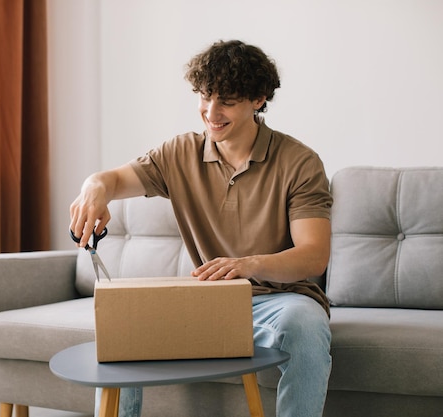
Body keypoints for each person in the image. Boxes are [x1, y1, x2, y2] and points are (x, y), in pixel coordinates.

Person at [70, 39, 332, 417]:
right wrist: (94, 190)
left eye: (226, 100)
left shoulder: (299, 162)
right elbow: (111, 180)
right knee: (124, 320)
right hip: (211, 298)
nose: (211, 111)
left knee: (305, 323)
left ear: (258, 99)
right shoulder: (179, 153)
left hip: (280, 300)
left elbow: (314, 256)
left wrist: (250, 264)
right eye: (204, 96)